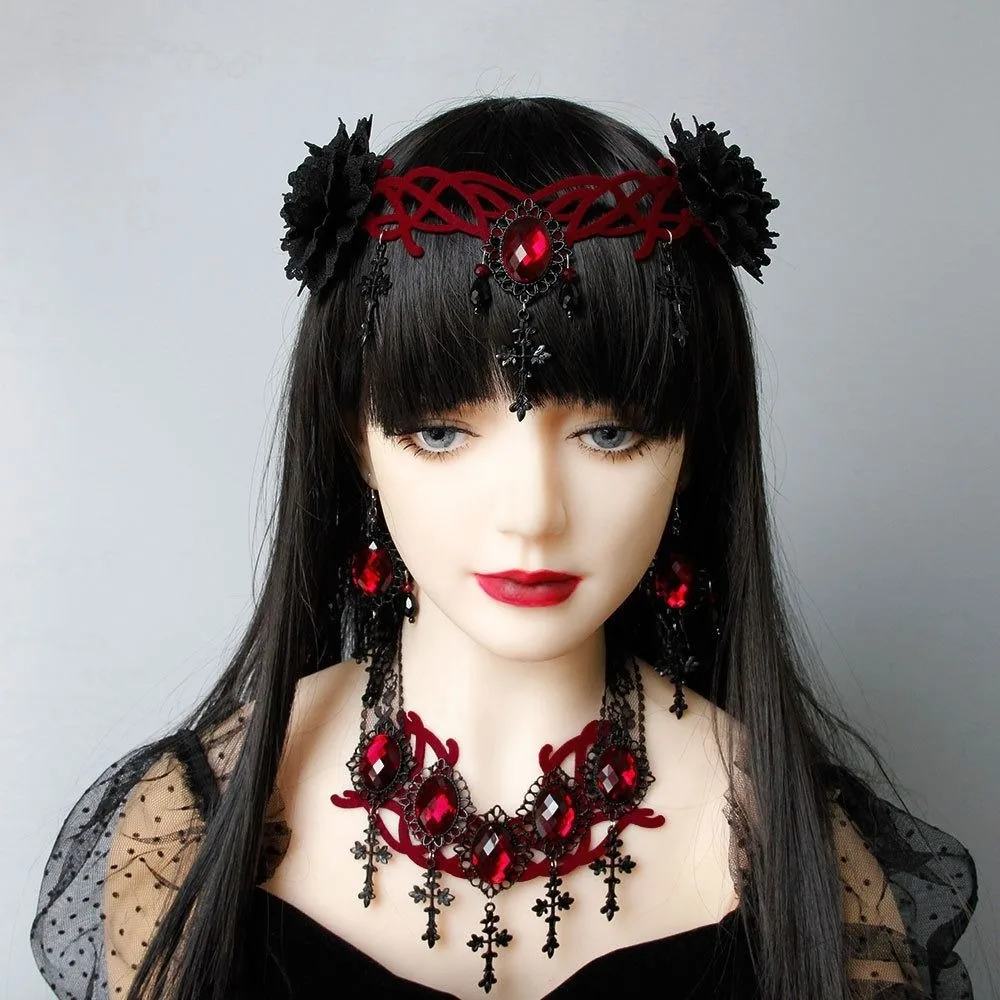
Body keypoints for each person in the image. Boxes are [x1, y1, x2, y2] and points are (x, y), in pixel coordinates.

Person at [31, 96, 978, 1000]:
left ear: (693, 446)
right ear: (356, 442)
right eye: (443, 432)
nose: (531, 514)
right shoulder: (186, 825)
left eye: (609, 433)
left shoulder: (805, 851)